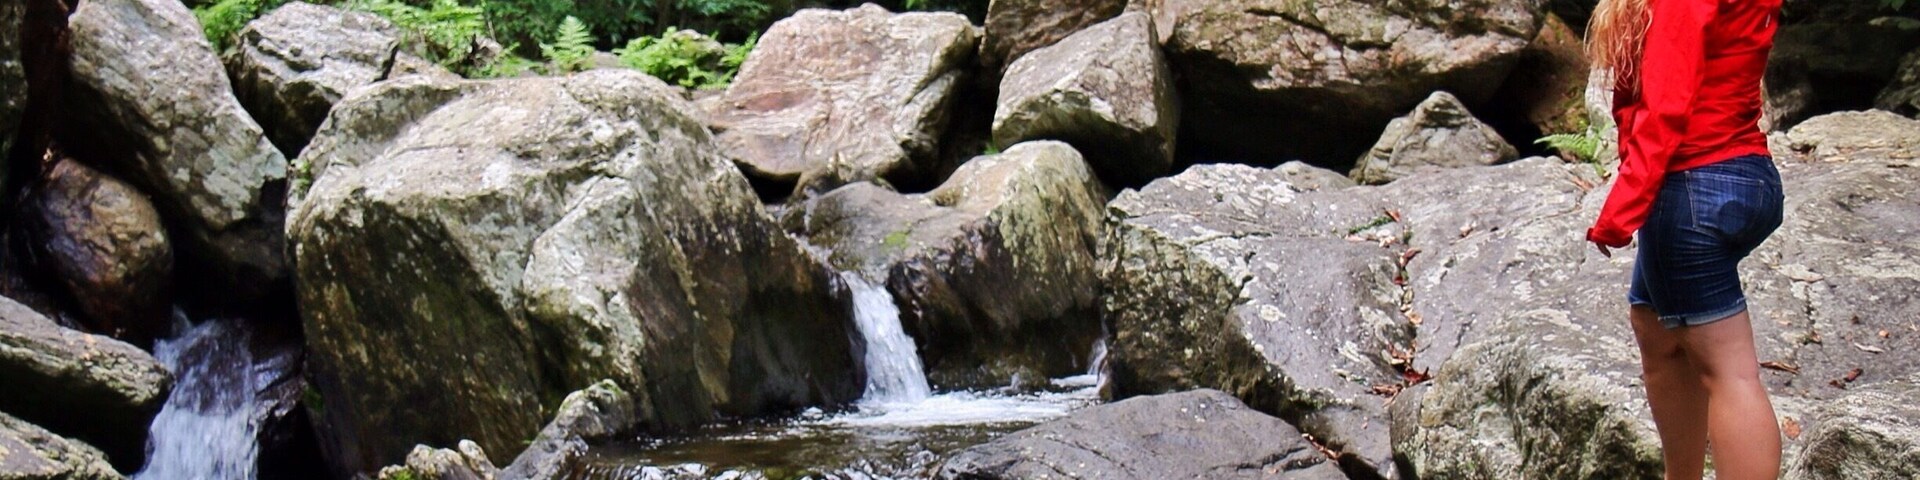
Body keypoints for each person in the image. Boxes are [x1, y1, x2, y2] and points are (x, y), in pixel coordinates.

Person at [1584, 0, 1786, 478]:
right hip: (1747, 176)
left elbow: (1665, 107)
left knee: (1731, 374)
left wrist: (1620, 211)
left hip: (1696, 187)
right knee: (1656, 332)